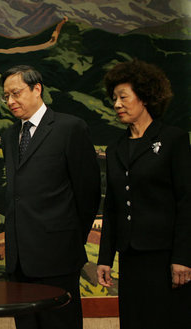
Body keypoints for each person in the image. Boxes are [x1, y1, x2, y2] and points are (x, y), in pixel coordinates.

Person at [0, 65, 101, 329]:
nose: (10, 101)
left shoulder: (70, 128)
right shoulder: (10, 135)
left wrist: (69, 239)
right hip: (19, 260)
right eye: (6, 96)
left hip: (58, 257)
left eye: (16, 93)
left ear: (37, 89)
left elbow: (87, 193)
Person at [97, 59, 191, 328]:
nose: (117, 104)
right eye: (114, 98)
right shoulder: (115, 148)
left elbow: (187, 201)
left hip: (166, 259)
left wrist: (184, 258)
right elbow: (112, 206)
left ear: (145, 97)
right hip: (130, 258)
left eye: (123, 97)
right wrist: (105, 259)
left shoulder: (174, 139)